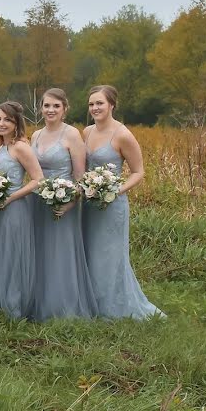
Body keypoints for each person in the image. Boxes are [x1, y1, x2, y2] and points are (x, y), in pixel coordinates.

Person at [82, 85, 164, 319]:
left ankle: (113, 307)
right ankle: (91, 303)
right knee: (89, 252)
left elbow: (138, 172)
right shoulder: (86, 132)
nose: (95, 108)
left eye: (100, 103)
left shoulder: (122, 134)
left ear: (112, 105)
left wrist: (114, 191)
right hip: (88, 205)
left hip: (111, 206)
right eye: (91, 104)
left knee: (109, 255)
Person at [29, 89, 98, 321]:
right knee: (40, 251)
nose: (50, 110)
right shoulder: (35, 135)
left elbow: (80, 177)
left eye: (56, 106)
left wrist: (71, 203)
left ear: (65, 109)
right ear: (41, 108)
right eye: (47, 106)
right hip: (38, 201)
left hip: (63, 203)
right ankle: (38, 302)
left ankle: (62, 308)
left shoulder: (72, 135)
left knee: (60, 253)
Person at [0, 101, 43, 319]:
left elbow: (38, 180)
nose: (1, 123)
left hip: (14, 208)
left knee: (11, 255)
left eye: (7, 119)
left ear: (17, 123)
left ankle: (13, 307)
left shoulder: (21, 147)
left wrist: (11, 197)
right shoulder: (1, 147)